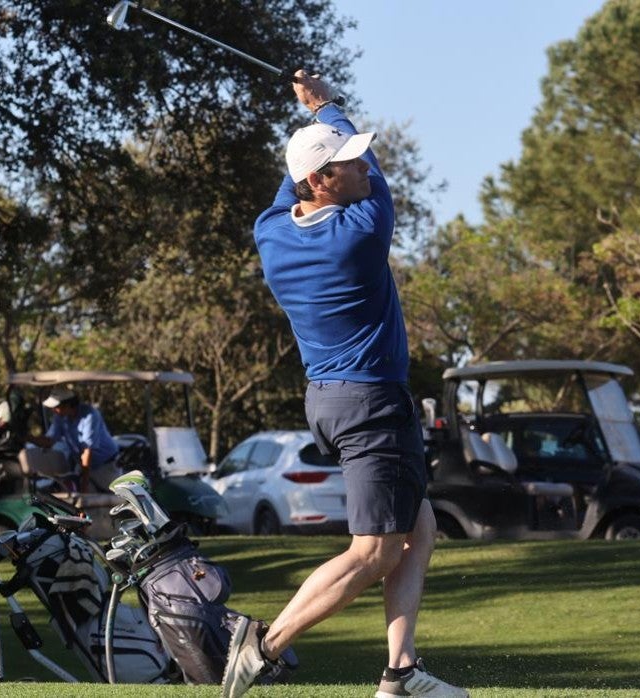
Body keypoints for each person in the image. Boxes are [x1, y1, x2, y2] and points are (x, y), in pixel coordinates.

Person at [220, 73, 468, 698]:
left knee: (421, 523)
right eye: (348, 164)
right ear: (324, 181)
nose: (363, 168)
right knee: (374, 551)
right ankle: (265, 646)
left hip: (328, 401)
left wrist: (314, 118)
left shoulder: (272, 231)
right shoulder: (361, 230)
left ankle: (400, 673)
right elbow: (370, 170)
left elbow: (296, 173)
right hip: (371, 402)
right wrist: (326, 105)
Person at [26, 387, 120, 491]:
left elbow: (87, 452)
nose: (54, 410)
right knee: (84, 500)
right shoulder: (60, 417)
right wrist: (28, 438)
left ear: (68, 405)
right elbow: (49, 441)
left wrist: (85, 485)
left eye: (56, 407)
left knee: (113, 498)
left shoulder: (90, 415)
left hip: (105, 465)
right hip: (84, 465)